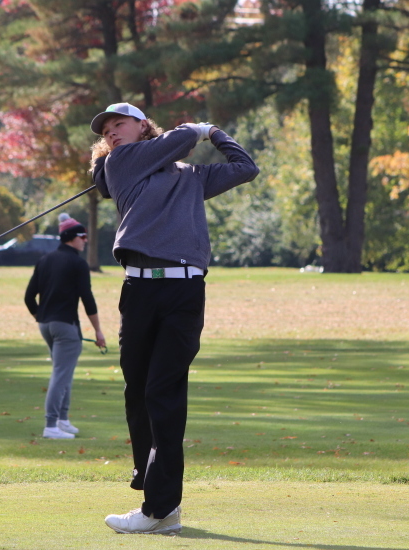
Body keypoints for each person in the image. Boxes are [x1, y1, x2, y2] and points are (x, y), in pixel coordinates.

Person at [89, 103, 259, 534]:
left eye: (118, 124)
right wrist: (198, 128)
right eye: (105, 130)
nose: (110, 133)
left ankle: (159, 509)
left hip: (183, 291)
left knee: (163, 393)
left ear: (143, 125)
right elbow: (179, 138)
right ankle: (153, 483)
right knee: (138, 392)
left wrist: (216, 132)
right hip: (139, 290)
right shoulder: (121, 163)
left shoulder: (190, 176)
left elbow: (245, 168)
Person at [24, 213, 106, 440]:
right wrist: (98, 331)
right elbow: (87, 298)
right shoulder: (78, 263)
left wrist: (39, 316)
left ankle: (63, 420)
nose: (85, 240)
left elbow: (29, 297)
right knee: (61, 374)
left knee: (64, 371)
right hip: (65, 328)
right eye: (82, 236)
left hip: (46, 325)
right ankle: (51, 425)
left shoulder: (44, 260)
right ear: (71, 238)